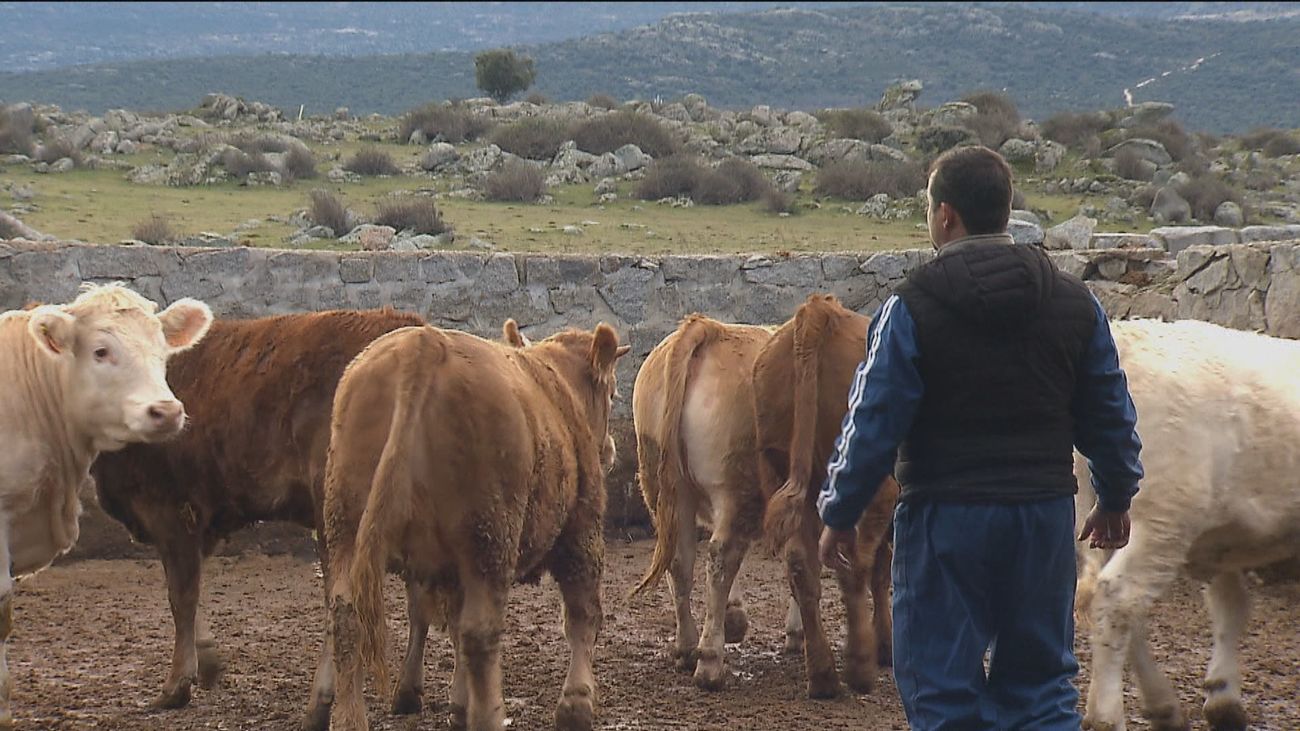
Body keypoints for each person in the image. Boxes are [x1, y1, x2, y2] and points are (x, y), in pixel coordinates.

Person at [815, 145, 1143, 730]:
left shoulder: (910, 307)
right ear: (1005, 210)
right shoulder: (1075, 303)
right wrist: (1115, 495)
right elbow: (1110, 409)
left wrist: (840, 510)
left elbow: (872, 420)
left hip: (945, 520)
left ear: (945, 215)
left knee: (943, 691)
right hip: (1041, 517)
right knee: (1042, 689)